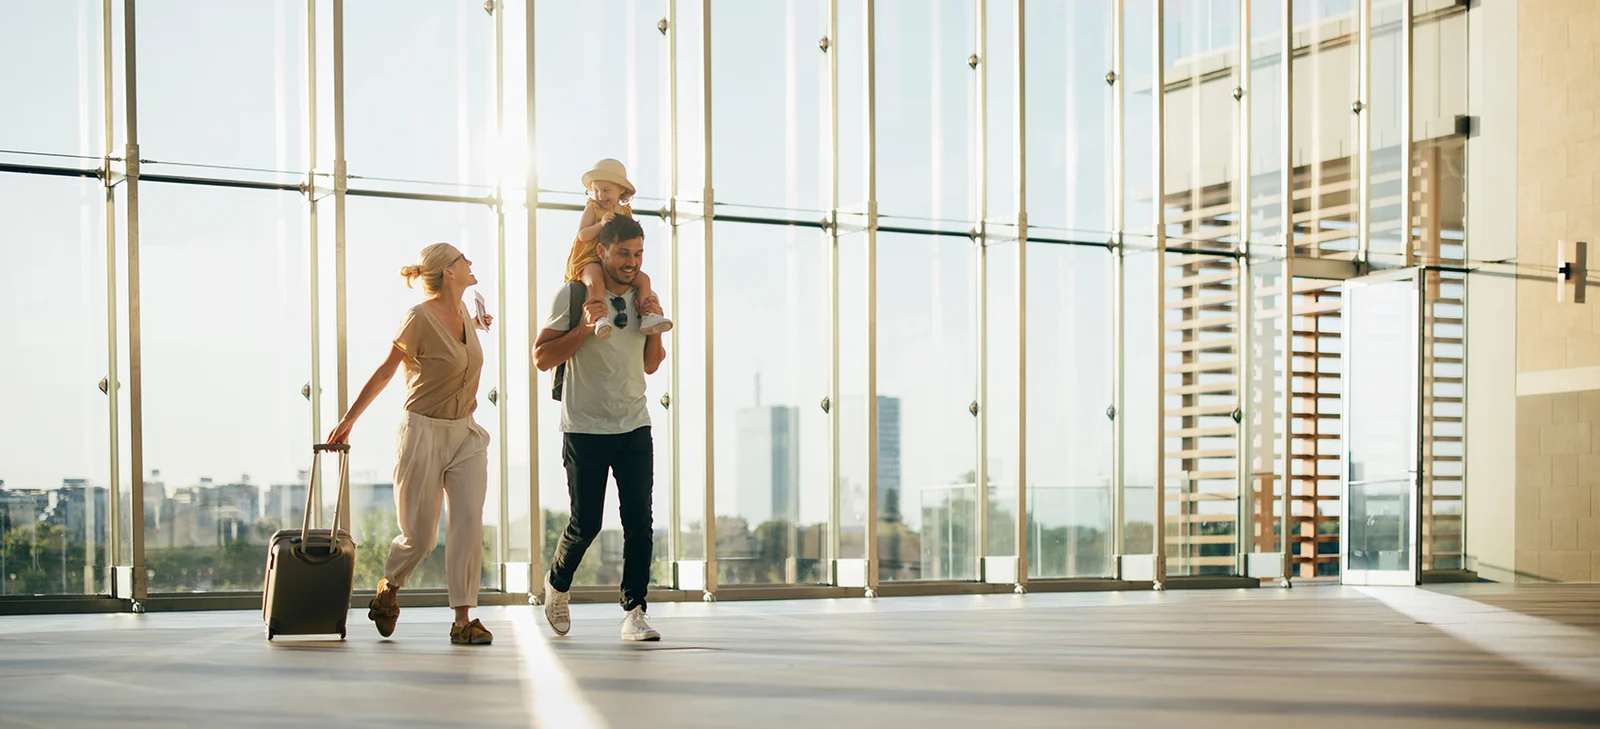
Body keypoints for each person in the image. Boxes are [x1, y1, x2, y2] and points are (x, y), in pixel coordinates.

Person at [326, 242, 495, 645]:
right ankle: (391, 586)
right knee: (420, 536)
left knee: (468, 523)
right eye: (462, 258)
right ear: (448, 272)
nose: (470, 262)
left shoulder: (466, 314)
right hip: (422, 431)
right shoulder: (417, 318)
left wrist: (478, 320)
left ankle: (463, 619)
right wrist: (349, 419)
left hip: (465, 434)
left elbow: (458, 348)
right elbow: (386, 371)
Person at [534, 214, 666, 641]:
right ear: (603, 251)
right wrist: (584, 331)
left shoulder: (644, 298)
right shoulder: (574, 295)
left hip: (633, 425)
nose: (631, 261)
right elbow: (542, 357)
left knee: (639, 523)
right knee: (586, 523)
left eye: (638, 254)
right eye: (624, 253)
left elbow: (649, 363)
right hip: (585, 427)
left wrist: (656, 327)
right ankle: (557, 584)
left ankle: (635, 611)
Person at [566, 158, 672, 340]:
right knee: (595, 281)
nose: (600, 195)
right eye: (596, 191)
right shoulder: (593, 209)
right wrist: (600, 224)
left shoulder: (625, 211)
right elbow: (582, 235)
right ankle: (599, 317)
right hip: (590, 258)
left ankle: (648, 314)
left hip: (614, 261)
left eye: (606, 190)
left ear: (621, 190)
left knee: (644, 280)